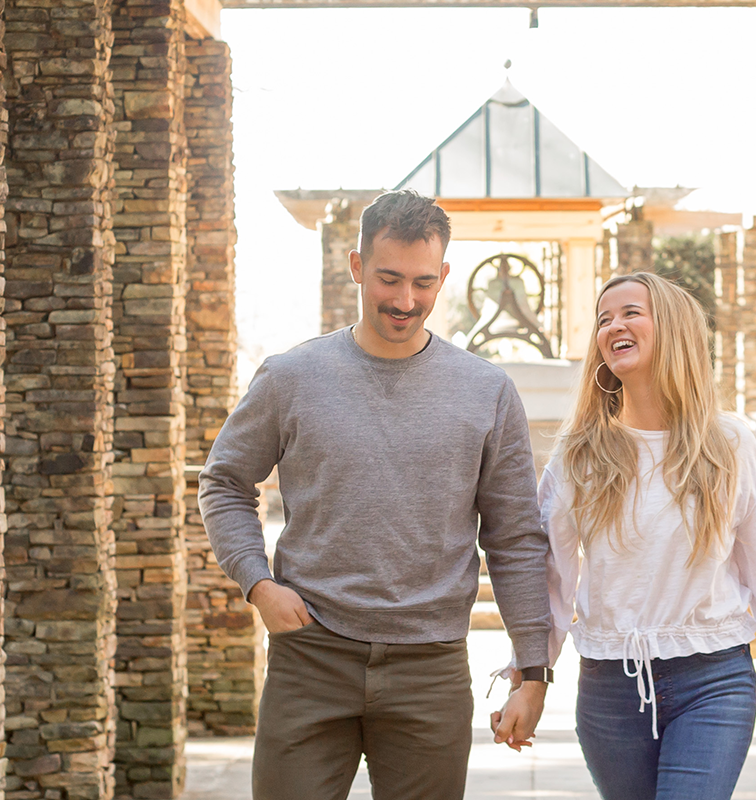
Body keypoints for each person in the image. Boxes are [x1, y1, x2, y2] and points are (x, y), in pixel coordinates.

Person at [199, 190, 553, 800]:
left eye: (422, 282)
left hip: (431, 666)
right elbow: (225, 482)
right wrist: (258, 583)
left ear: (444, 277)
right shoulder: (291, 378)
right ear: (357, 265)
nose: (405, 301)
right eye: (389, 278)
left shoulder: (486, 391)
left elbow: (515, 535)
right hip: (310, 654)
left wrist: (534, 670)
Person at [498, 271, 756, 800]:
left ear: (671, 328)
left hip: (713, 682)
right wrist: (530, 678)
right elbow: (553, 576)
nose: (613, 326)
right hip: (609, 690)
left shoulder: (728, 444)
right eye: (603, 319)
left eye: (629, 312)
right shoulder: (580, 452)